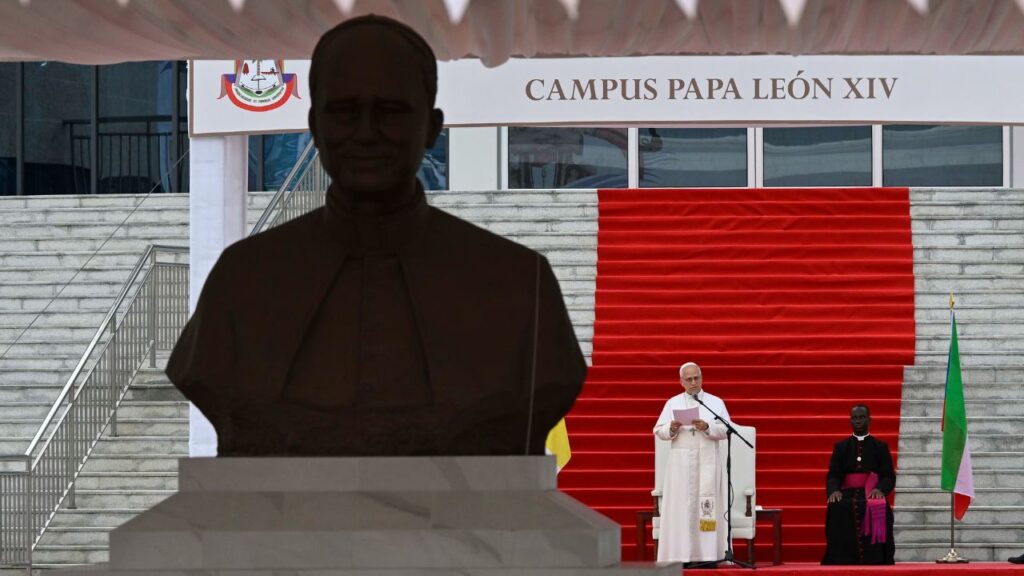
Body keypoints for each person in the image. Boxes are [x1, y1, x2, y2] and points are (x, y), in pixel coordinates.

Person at [166, 15, 586, 456]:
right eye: (344, 112)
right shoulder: (242, 281)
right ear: (314, 125)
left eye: (391, 112)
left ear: (432, 128)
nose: (366, 134)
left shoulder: (520, 284)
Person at [653, 362, 731, 564]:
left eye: (696, 378)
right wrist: (672, 428)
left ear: (701, 378)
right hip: (681, 466)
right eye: (688, 379)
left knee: (706, 507)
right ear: (681, 382)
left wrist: (707, 427)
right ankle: (682, 555)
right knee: (682, 508)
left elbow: (726, 429)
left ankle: (708, 555)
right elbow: (659, 430)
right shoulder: (672, 403)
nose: (693, 382)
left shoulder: (715, 402)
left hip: (707, 462)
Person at [821, 404, 896, 565]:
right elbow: (834, 474)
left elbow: (888, 475)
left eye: (862, 417)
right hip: (847, 493)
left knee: (877, 505)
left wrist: (880, 489)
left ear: (869, 420)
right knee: (837, 506)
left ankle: (877, 557)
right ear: (850, 420)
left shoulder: (880, 447)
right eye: (855, 418)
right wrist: (834, 490)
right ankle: (841, 557)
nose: (858, 421)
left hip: (871, 492)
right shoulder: (841, 447)